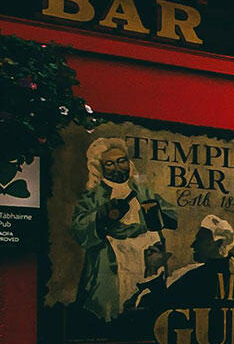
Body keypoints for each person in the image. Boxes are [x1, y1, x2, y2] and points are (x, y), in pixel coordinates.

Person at [69, 136, 178, 323]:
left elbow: (170, 215)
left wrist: (155, 214)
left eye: (121, 161)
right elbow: (79, 228)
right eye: (110, 164)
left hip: (147, 261)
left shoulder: (142, 190)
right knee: (113, 311)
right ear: (99, 167)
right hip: (114, 262)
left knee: (147, 308)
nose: (118, 168)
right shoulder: (94, 195)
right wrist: (102, 215)